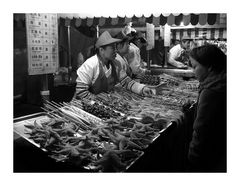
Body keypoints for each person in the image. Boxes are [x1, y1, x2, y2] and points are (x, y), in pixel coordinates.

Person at [74, 31, 154, 100]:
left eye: (115, 47)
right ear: (102, 50)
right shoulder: (90, 65)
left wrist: (142, 88)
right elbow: (80, 91)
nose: (116, 50)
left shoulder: (115, 63)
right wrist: (99, 101)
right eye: (112, 48)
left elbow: (126, 82)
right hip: (88, 108)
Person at [186, 44, 226, 171]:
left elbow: (201, 129)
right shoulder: (221, 81)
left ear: (209, 66)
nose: (193, 71)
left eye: (195, 67)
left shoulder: (211, 91)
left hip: (206, 154)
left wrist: (193, 157)